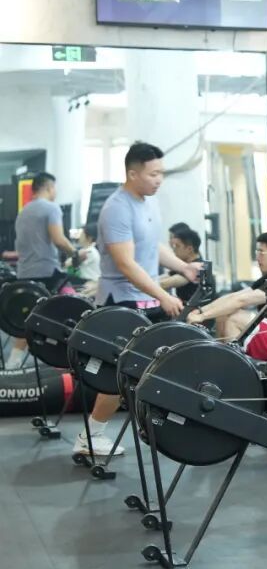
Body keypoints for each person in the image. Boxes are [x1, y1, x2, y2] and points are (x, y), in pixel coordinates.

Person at [74, 141, 202, 457]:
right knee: (120, 373)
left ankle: (165, 424)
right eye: (153, 174)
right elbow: (126, 264)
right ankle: (91, 436)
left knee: (163, 362)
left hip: (144, 299)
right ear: (133, 174)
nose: (159, 180)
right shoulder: (117, 208)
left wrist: (183, 267)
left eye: (161, 173)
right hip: (122, 301)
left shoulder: (147, 203)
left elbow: (152, 245)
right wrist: (164, 295)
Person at [186, 230, 267, 363]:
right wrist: (200, 311)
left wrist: (202, 316)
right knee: (223, 314)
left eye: (261, 252)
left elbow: (242, 301)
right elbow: (235, 296)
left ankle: (233, 368)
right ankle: (220, 360)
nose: (257, 257)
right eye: (257, 252)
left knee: (235, 319)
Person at [8, 172, 78, 367]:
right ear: (49, 188)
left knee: (29, 316)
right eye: (55, 188)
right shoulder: (51, 208)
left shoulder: (23, 211)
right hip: (47, 271)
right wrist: (75, 253)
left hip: (25, 273)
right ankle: (65, 360)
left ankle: (14, 360)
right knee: (75, 307)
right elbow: (59, 239)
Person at [160, 226, 215, 307]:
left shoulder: (197, 269)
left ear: (189, 249)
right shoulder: (186, 266)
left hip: (197, 313)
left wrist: (144, 284)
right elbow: (164, 277)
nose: (174, 250)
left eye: (177, 246)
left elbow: (164, 284)